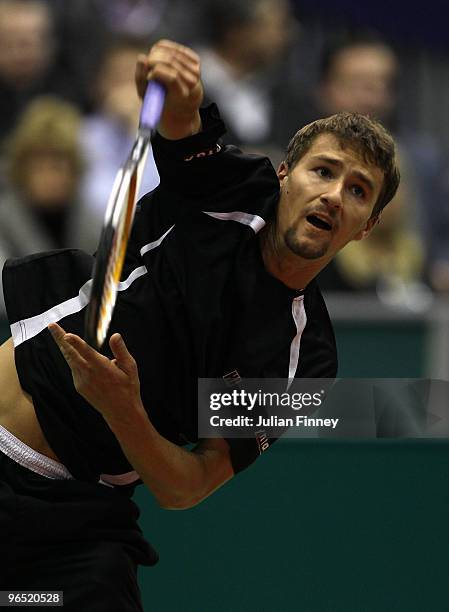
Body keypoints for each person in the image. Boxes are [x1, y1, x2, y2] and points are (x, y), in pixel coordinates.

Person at [0, 40, 399, 610]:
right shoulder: (229, 191)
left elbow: (187, 484)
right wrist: (175, 89)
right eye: (323, 171)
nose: (333, 195)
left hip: (77, 521)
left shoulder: (304, 361)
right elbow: (183, 126)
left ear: (366, 226)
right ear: (286, 175)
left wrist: (123, 409)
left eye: (357, 191)